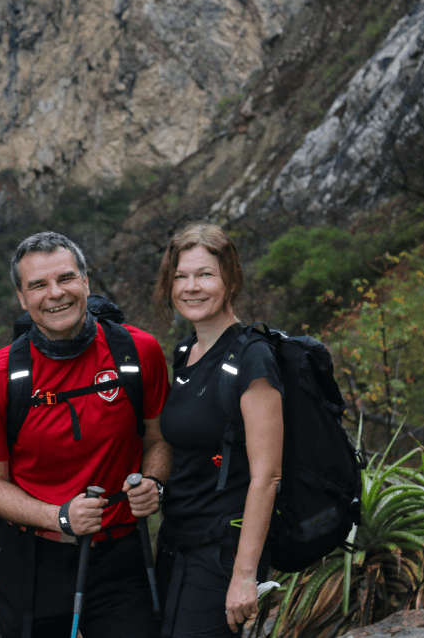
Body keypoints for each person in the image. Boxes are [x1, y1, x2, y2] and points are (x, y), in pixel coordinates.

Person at [0, 231, 171, 638]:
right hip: (33, 562)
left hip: (122, 555)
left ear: (86, 283)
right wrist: (58, 517)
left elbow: (159, 439)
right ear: (22, 298)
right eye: (38, 285)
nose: (55, 294)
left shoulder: (138, 352)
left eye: (66, 279)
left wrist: (155, 483)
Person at [152, 223, 283, 637]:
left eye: (205, 274)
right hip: (176, 542)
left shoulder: (253, 358)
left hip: (223, 553)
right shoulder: (186, 353)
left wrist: (244, 575)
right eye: (180, 276)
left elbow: (267, 475)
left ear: (230, 279)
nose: (191, 287)